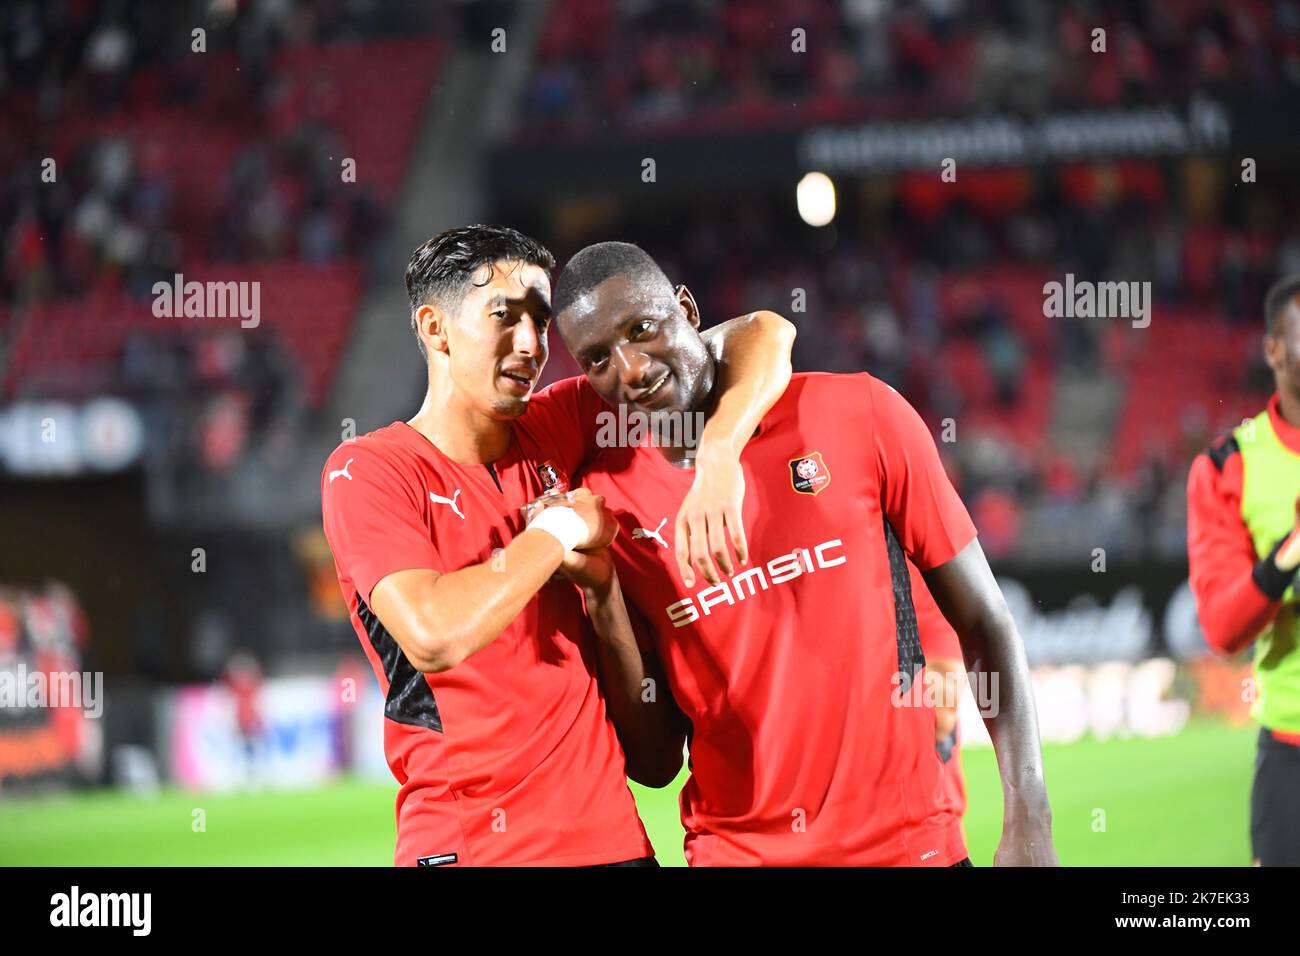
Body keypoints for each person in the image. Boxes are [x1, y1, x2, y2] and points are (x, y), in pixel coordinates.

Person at [549, 241, 1056, 865]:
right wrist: (601, 596)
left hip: (908, 846)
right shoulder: (610, 508)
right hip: (735, 854)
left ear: (687, 308)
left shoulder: (858, 412)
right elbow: (655, 764)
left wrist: (1029, 813)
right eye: (598, 359)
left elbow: (984, 619)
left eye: (642, 329)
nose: (628, 370)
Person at [320, 225, 795, 866]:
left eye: (541, 322)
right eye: (504, 318)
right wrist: (562, 529)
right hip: (471, 846)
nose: (531, 345)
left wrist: (719, 455)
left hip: (612, 841)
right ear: (435, 328)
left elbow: (761, 332)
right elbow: (434, 634)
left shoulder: (560, 422)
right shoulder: (369, 471)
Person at [1187, 274, 1300, 866]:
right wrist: (1286, 557)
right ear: (1274, 349)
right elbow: (1222, 628)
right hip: (1291, 752)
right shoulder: (1228, 465)